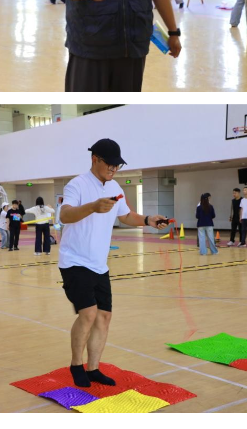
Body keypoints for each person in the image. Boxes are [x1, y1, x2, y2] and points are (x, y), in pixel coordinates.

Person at [58, 138, 168, 388]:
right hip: (75, 260)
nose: (114, 169)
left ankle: (94, 368)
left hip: (99, 263)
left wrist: (148, 220)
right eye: (110, 164)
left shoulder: (115, 186)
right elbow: (65, 215)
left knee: (104, 316)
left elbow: (126, 216)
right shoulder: (77, 184)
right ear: (94, 159)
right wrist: (92, 207)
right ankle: (76, 365)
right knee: (88, 313)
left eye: (117, 165)